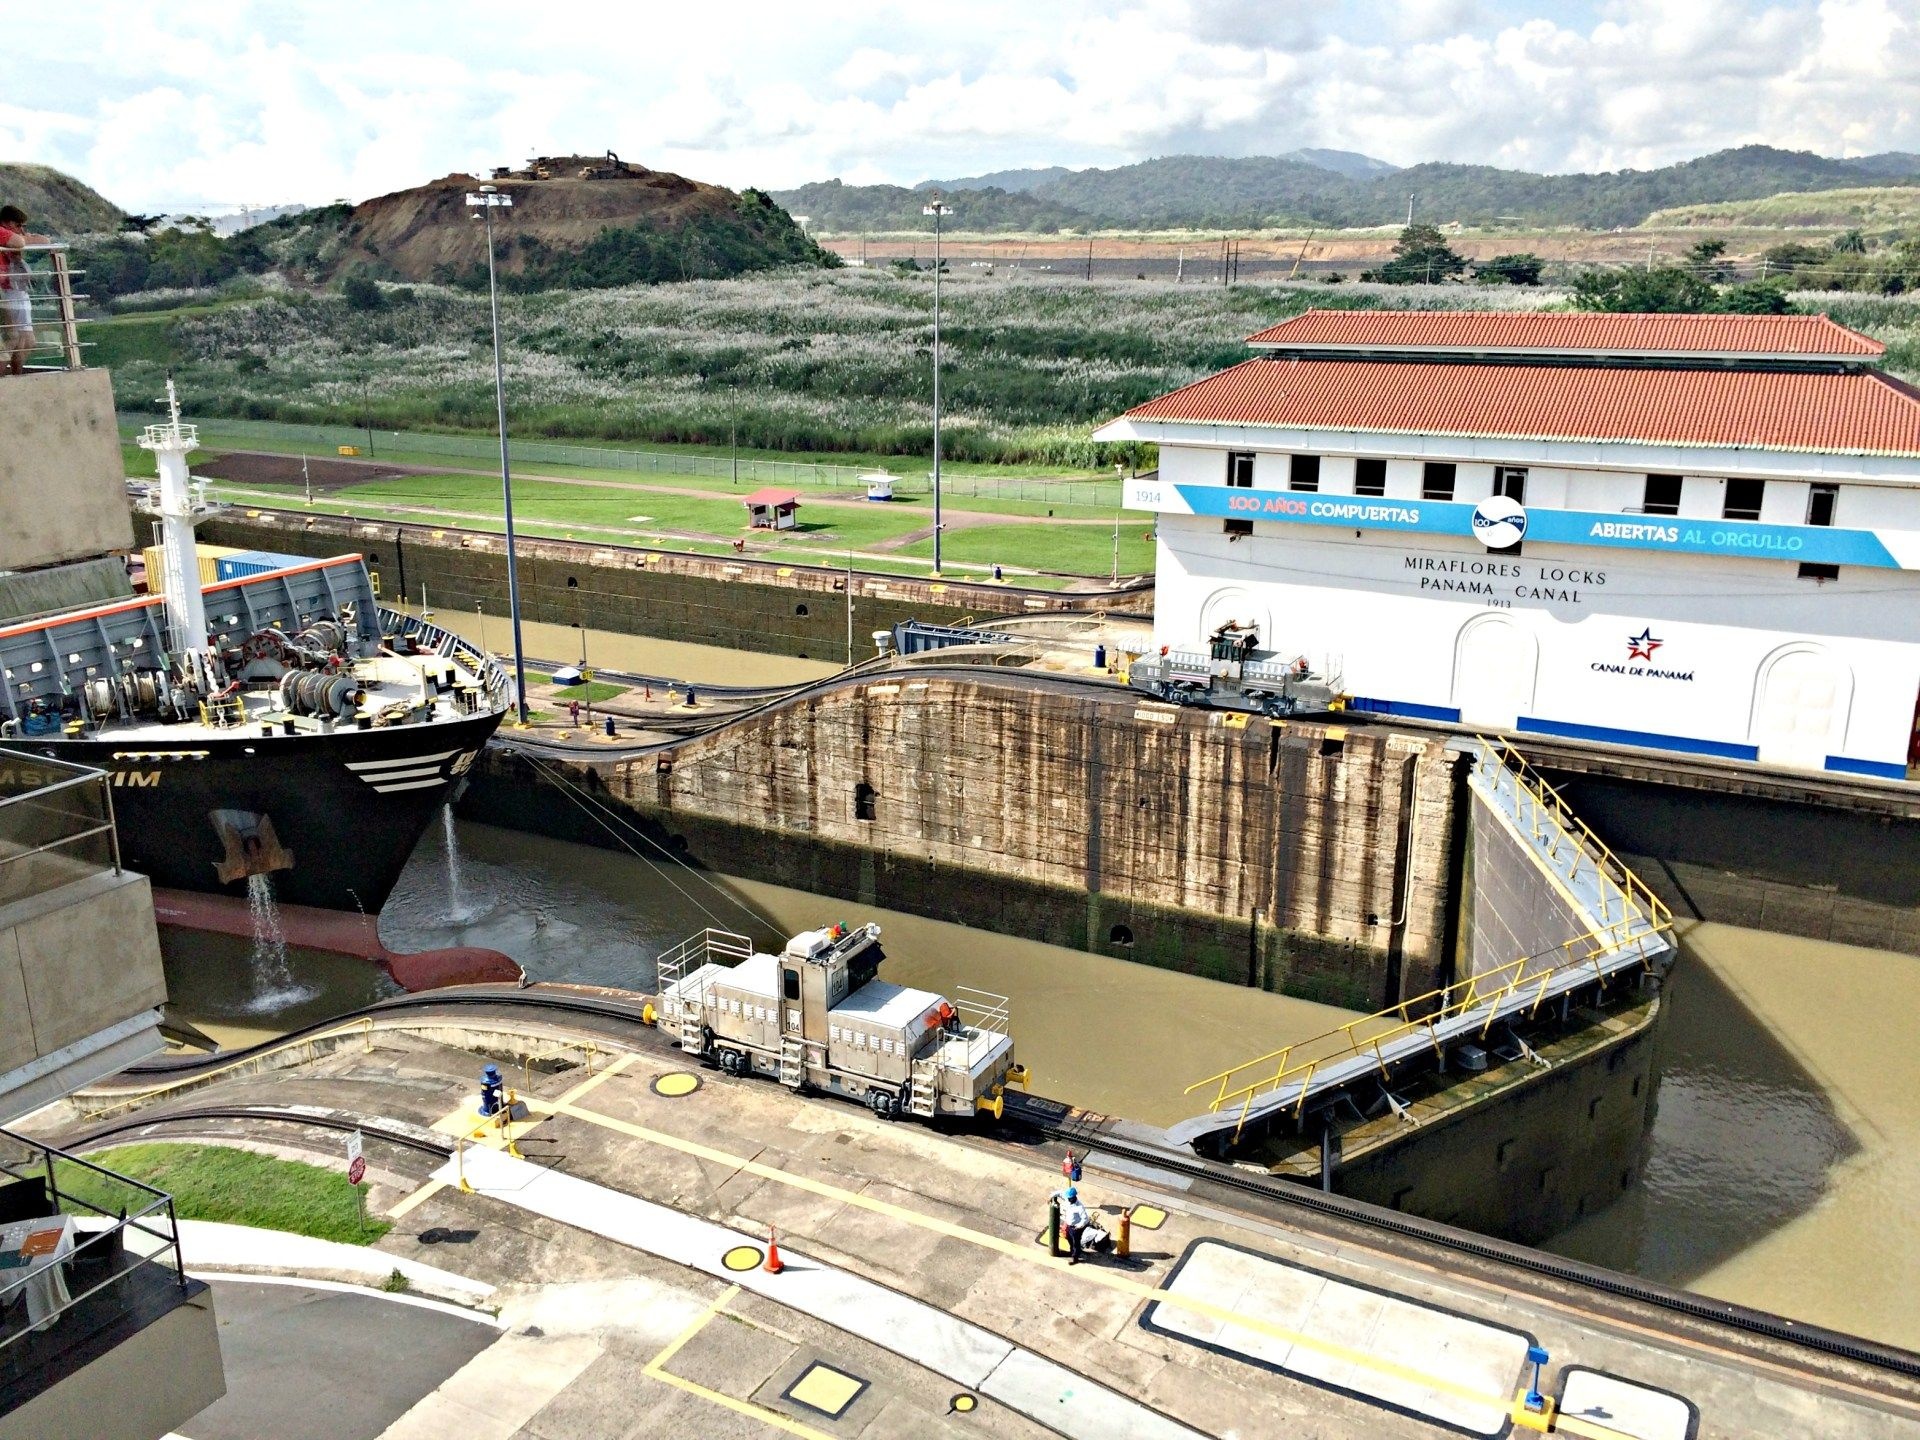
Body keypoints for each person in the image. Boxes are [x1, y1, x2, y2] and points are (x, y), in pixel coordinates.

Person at [0, 205, 50, 376]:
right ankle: (15, 377)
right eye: (18, 225)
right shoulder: (2, 232)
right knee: (18, 339)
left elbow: (44, 241)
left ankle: (16, 376)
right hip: (10, 290)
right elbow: (20, 242)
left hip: (14, 290)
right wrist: (24, 238)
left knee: (25, 340)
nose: (21, 230)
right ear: (7, 223)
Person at [1054, 1185, 1090, 1265]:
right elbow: (1059, 1193)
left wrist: (1078, 1226)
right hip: (1068, 1225)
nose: (1068, 1199)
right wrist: (1051, 1197)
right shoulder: (1067, 1198)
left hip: (1075, 1228)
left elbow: (1085, 1219)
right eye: (1068, 1198)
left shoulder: (1079, 1207)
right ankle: (1072, 1251)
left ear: (1074, 1197)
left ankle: (1075, 1258)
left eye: (1070, 1198)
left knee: (1075, 1243)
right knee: (1068, 1237)